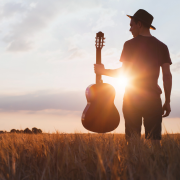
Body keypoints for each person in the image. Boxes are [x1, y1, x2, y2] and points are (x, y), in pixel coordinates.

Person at [94, 9, 172, 147]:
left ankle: (134, 169)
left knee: (133, 144)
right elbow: (167, 75)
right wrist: (167, 101)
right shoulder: (162, 47)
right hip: (153, 99)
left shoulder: (129, 45)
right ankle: (156, 168)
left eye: (131, 25)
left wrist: (103, 71)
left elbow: (125, 72)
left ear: (139, 24)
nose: (130, 29)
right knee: (155, 143)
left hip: (132, 99)